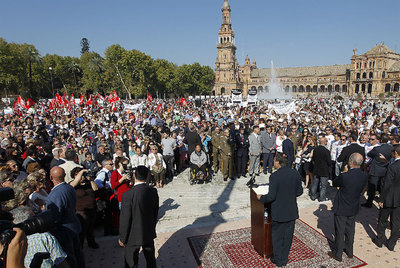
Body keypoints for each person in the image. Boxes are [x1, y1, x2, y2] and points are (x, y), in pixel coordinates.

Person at [257, 153, 303, 267]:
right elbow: (299, 192)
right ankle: (284, 258)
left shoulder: (275, 176)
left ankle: (279, 260)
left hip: (279, 212)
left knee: (277, 237)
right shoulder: (295, 173)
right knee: (288, 238)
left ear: (278, 162)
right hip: (291, 211)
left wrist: (261, 198)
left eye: (274, 161)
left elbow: (271, 197)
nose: (273, 163)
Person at [328, 153, 367, 262]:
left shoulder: (345, 176)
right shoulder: (364, 175)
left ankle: (338, 253)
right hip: (354, 205)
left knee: (340, 230)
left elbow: (335, 183)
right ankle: (349, 251)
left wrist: (344, 172)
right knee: (350, 229)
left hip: (342, 206)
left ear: (351, 162)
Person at [119, 166, 159, 268]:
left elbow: (125, 219)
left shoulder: (127, 195)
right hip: (148, 231)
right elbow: (155, 213)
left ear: (134, 175)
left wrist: (123, 238)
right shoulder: (153, 191)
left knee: (131, 262)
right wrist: (151, 227)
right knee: (150, 259)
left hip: (132, 235)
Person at [46, 166, 85, 268]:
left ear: (50, 177)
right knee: (78, 253)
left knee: (70, 257)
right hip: (73, 226)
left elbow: (55, 217)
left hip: (64, 231)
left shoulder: (54, 195)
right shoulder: (69, 188)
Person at [372, 145, 400, 251]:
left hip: (388, 198)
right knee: (396, 222)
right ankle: (392, 243)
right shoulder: (392, 165)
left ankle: (380, 240)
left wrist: (381, 199)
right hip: (398, 199)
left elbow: (387, 184)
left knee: (383, 220)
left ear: (395, 153)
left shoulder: (393, 167)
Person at [70, 167, 99, 249]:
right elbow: (73, 184)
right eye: (79, 175)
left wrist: (91, 179)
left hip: (91, 208)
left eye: (83, 175)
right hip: (81, 211)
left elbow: (95, 189)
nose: (82, 177)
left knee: (90, 228)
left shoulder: (87, 183)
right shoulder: (73, 185)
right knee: (82, 230)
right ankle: (80, 246)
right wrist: (82, 171)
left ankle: (91, 243)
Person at [362, 133, 392, 208]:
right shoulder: (391, 148)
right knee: (382, 186)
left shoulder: (377, 149)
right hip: (385, 169)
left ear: (380, 140)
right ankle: (383, 202)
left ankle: (369, 203)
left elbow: (369, 154)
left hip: (376, 170)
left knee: (372, 188)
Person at [310, 137, 331, 202]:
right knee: (323, 185)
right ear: (324, 142)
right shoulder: (326, 151)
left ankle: (313, 196)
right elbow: (329, 162)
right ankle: (322, 198)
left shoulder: (315, 150)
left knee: (315, 183)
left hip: (316, 169)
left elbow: (313, 160)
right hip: (324, 170)